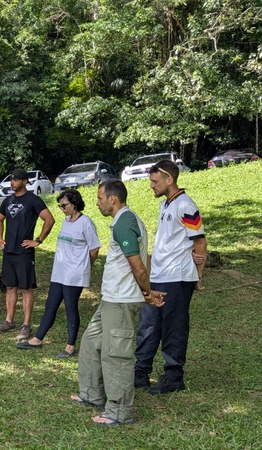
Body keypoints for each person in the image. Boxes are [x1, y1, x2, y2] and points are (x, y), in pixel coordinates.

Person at [71, 180, 165, 426]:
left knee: (116, 355)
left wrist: (148, 293)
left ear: (113, 199)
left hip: (121, 300)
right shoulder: (124, 221)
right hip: (111, 299)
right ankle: (92, 394)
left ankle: (119, 411)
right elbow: (141, 264)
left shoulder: (124, 222)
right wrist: (148, 291)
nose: (97, 202)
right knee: (91, 343)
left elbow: (138, 267)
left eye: (100, 198)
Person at [134, 160, 207, 394]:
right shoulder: (166, 204)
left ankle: (174, 376)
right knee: (148, 325)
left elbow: (200, 241)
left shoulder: (186, 205)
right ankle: (140, 372)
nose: (152, 186)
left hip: (176, 277)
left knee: (173, 327)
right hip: (158, 274)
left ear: (169, 180)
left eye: (155, 182)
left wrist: (198, 276)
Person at [16, 189, 101, 358]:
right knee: (51, 305)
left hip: (74, 274)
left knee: (70, 307)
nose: (62, 209)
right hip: (60, 273)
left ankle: (70, 346)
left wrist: (85, 267)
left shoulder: (86, 223)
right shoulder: (66, 221)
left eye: (64, 205)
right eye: (60, 205)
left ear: (75, 204)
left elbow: (94, 249)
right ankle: (37, 339)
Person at [0, 169, 55, 339]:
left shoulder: (33, 200)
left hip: (24, 252)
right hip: (9, 251)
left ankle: (26, 325)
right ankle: (9, 321)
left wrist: (38, 240)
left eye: (16, 180)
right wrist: (0, 238)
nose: (13, 182)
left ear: (25, 181)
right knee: (10, 286)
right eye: (12, 180)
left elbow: (49, 219)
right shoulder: (8, 200)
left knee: (26, 288)